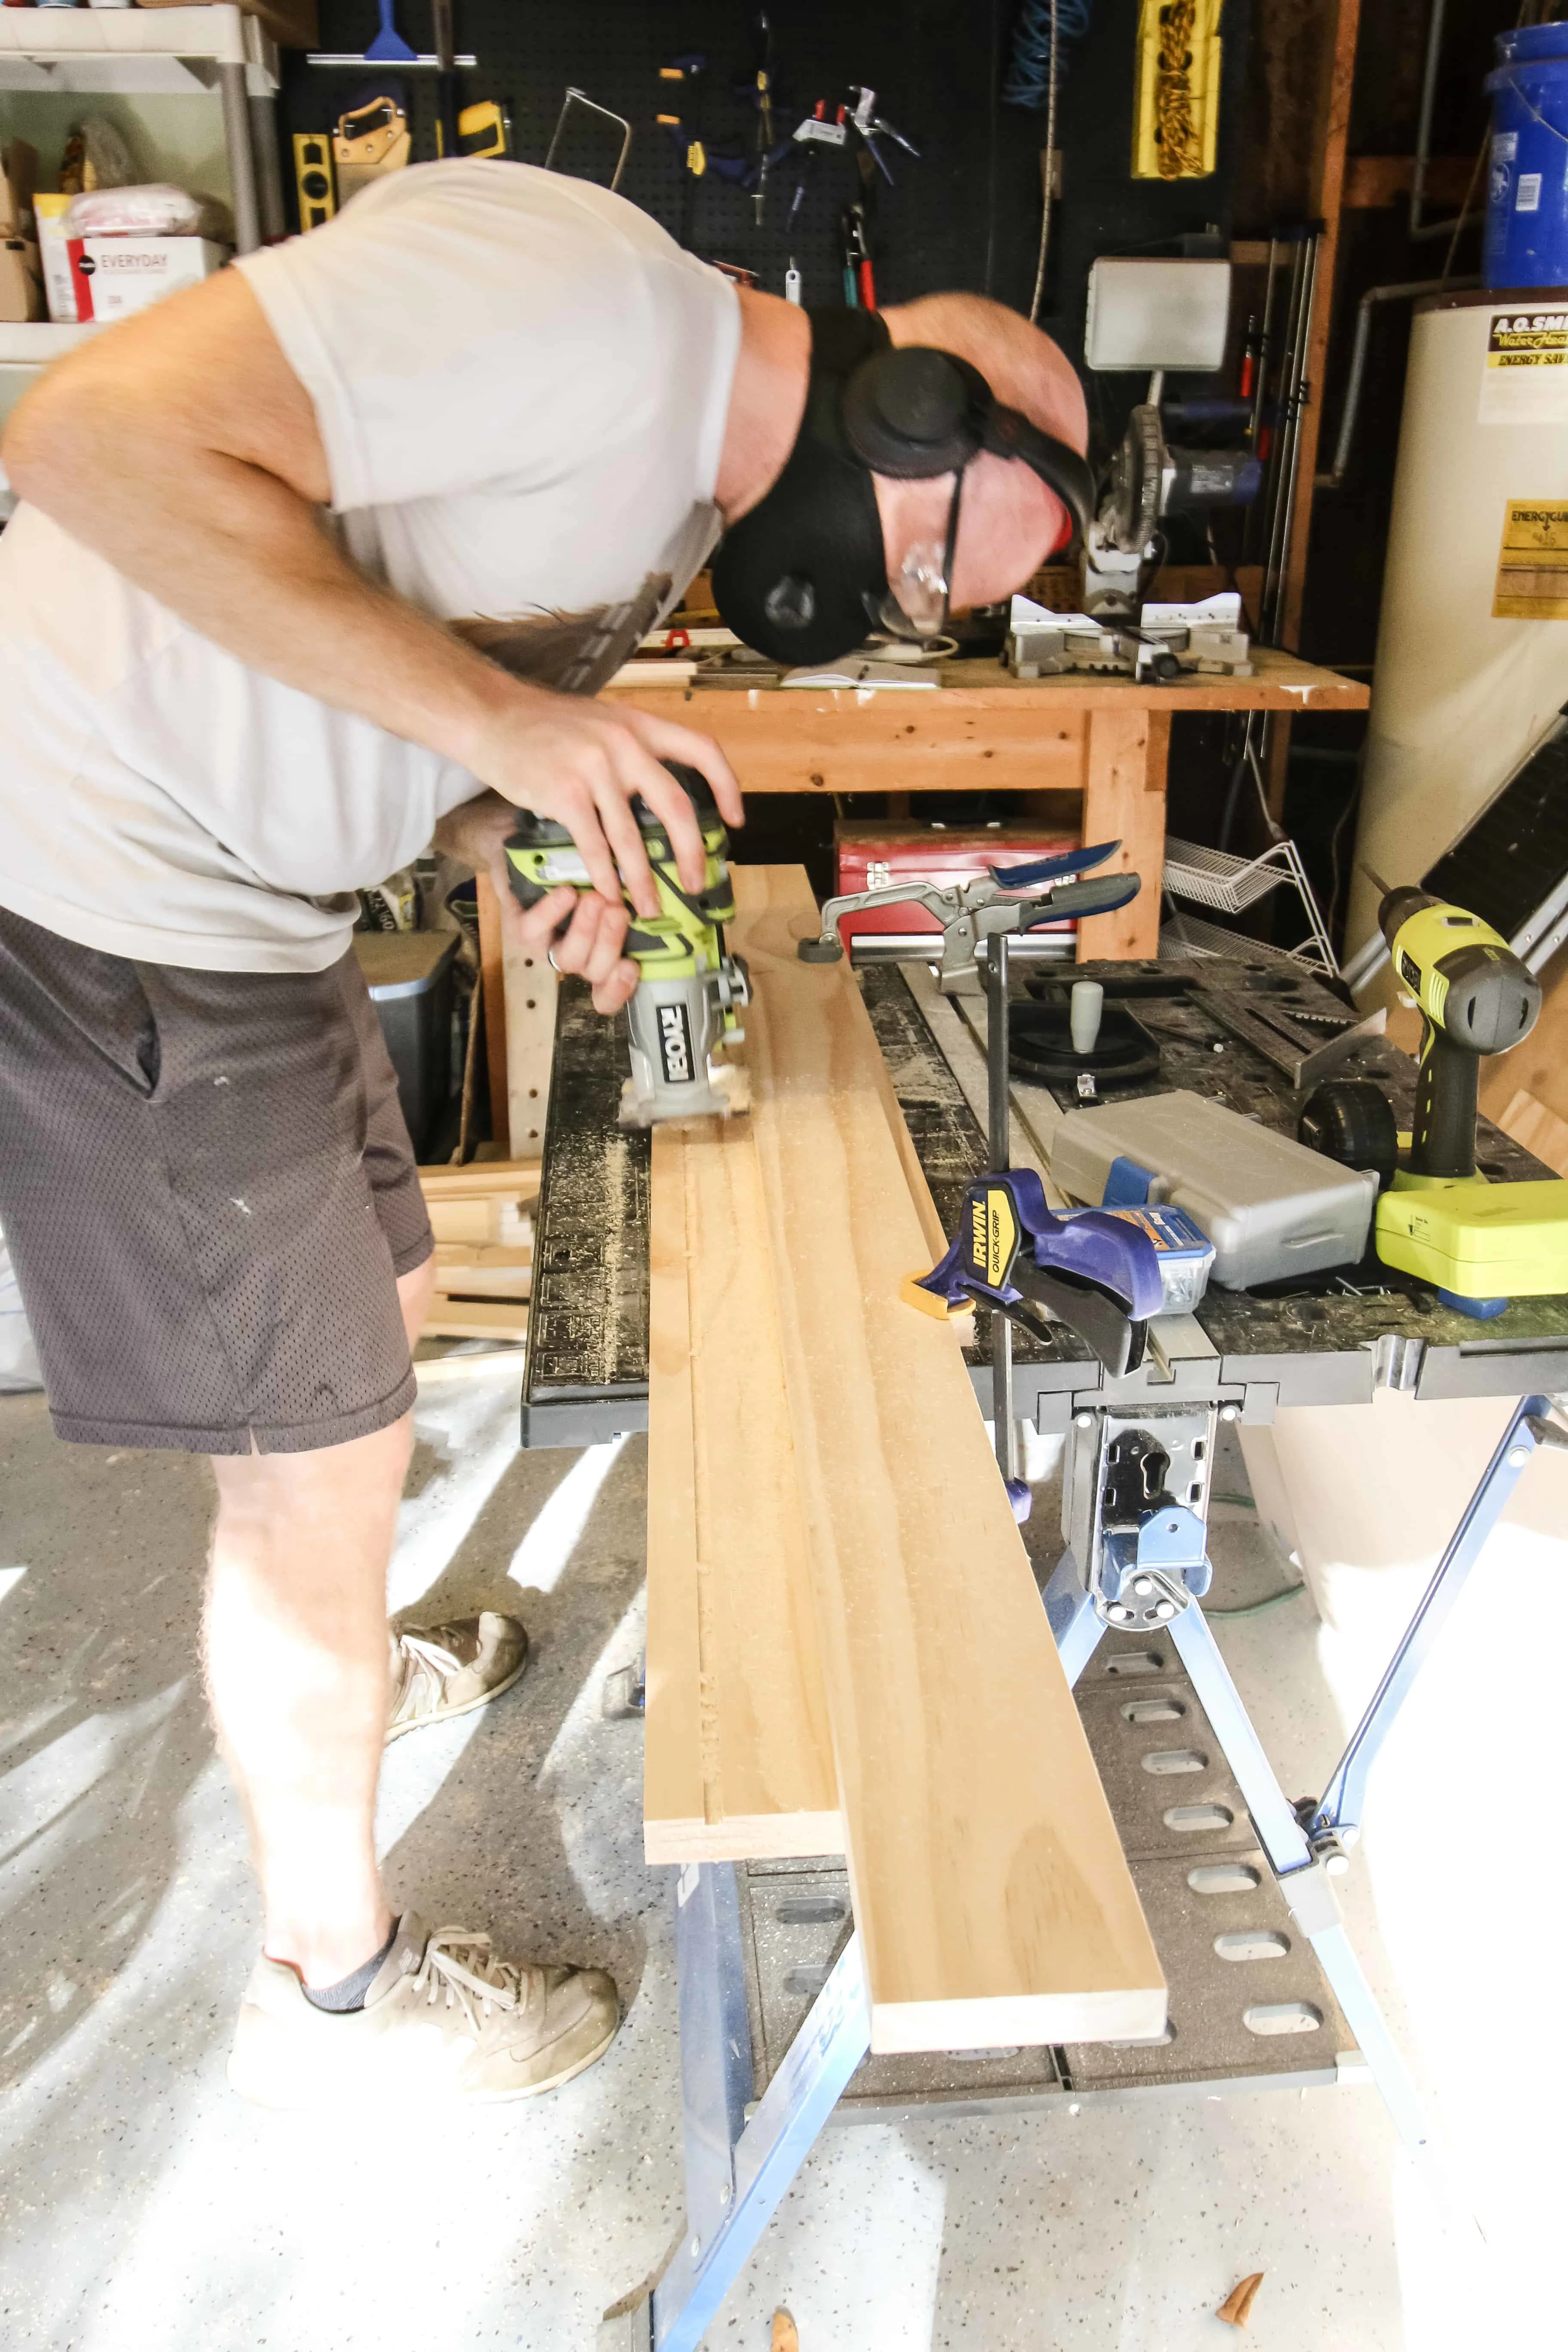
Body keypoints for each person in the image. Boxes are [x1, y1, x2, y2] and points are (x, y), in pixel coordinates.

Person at [0, 158, 1088, 2109]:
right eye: (938, 583)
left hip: (262, 897)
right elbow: (83, 438)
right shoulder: (584, 307)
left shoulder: (675, 478)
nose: (897, 627)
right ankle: (332, 1981)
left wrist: (504, 827)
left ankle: (357, 1658)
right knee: (310, 1463)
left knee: (398, 1296)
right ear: (904, 419)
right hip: (103, 889)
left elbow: (358, 636)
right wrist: (517, 736)